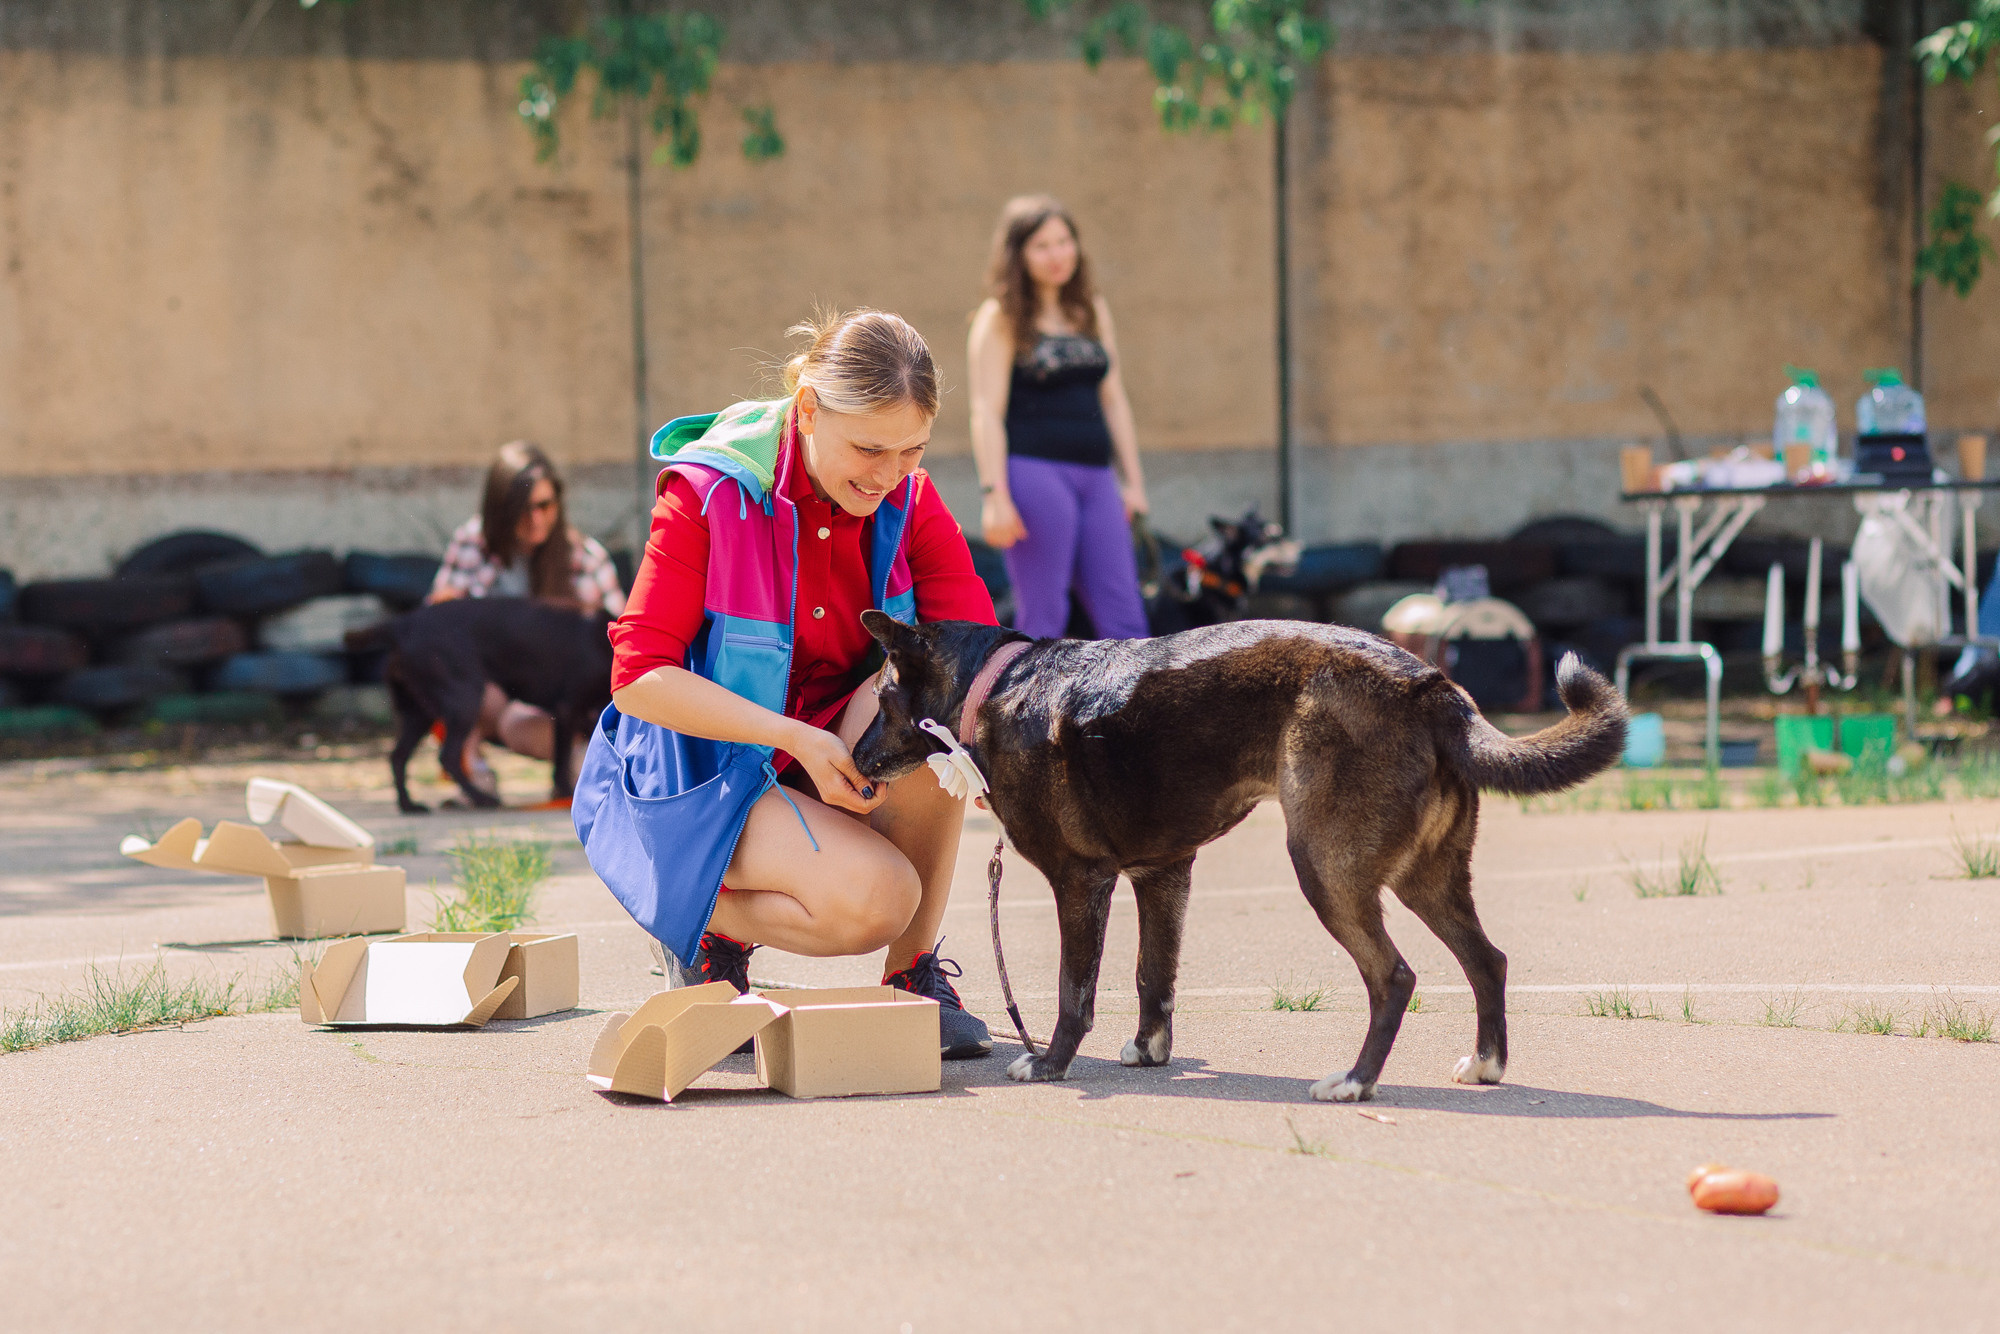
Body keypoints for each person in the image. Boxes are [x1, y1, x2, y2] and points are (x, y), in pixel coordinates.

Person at [582, 309, 998, 1058]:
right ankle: (702, 928)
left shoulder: (908, 495)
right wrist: (793, 738)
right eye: (868, 447)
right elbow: (639, 677)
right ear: (808, 408)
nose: (887, 475)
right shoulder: (707, 493)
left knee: (937, 696)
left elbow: (978, 657)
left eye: (911, 450)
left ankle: (912, 978)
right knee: (877, 900)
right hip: (705, 772)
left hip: (824, 752)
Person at [968, 194, 1151, 640]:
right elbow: (985, 411)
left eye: (1064, 241)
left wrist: (1135, 483)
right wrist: (995, 495)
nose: (1057, 255)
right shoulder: (1002, 317)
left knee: (1124, 615)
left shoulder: (1090, 309)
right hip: (1034, 475)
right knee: (1044, 615)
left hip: (1096, 477)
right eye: (1042, 245)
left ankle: (1136, 711)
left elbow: (1113, 399)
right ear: (1019, 255)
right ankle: (1024, 708)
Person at [428, 441, 626, 795]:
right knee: (465, 676)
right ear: (500, 510)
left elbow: (621, 647)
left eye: (545, 505)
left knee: (518, 723)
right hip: (493, 688)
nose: (535, 518)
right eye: (523, 508)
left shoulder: (583, 557)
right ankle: (470, 770)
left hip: (559, 704)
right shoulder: (474, 543)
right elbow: (438, 624)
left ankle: (589, 762)